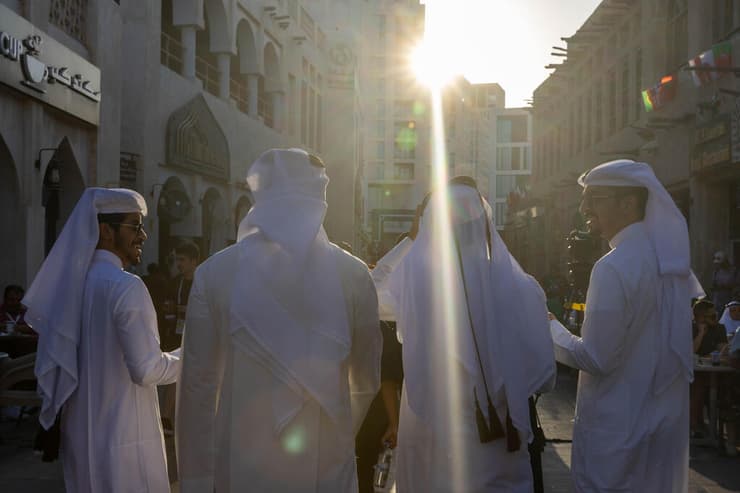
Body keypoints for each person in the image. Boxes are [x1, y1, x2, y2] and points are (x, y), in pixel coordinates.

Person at [176, 148, 382, 492]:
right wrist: (335, 422)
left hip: (240, 462)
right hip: (326, 462)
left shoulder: (214, 273)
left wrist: (198, 478)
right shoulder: (355, 276)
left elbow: (198, 387)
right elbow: (364, 380)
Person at [373, 177, 556, 493]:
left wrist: (412, 241)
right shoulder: (524, 288)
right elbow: (543, 374)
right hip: (504, 448)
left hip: (441, 448)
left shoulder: (421, 289)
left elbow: (373, 294)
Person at [549, 160, 703, 492]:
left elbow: (596, 358)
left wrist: (549, 329)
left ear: (629, 203)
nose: (584, 209)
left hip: (616, 439)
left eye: (596, 199)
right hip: (658, 433)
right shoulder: (671, 266)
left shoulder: (613, 267)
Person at [22, 188, 182, 492]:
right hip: (124, 437)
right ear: (106, 231)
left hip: (80, 437)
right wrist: (192, 355)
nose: (144, 236)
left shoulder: (70, 287)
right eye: (135, 226)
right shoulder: (125, 287)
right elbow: (146, 370)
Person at [690, 299, 728, 437]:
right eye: (712, 316)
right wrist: (701, 333)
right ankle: (695, 425)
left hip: (716, 371)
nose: (715, 319)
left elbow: (722, 350)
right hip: (696, 372)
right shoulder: (691, 328)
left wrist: (722, 350)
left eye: (716, 315)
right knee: (698, 385)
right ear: (701, 317)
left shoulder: (719, 328)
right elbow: (692, 351)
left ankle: (717, 430)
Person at [712, 251, 738, 317]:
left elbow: (736, 285)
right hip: (718, 298)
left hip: (729, 298)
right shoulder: (716, 271)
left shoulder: (733, 271)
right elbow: (714, 284)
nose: (718, 265)